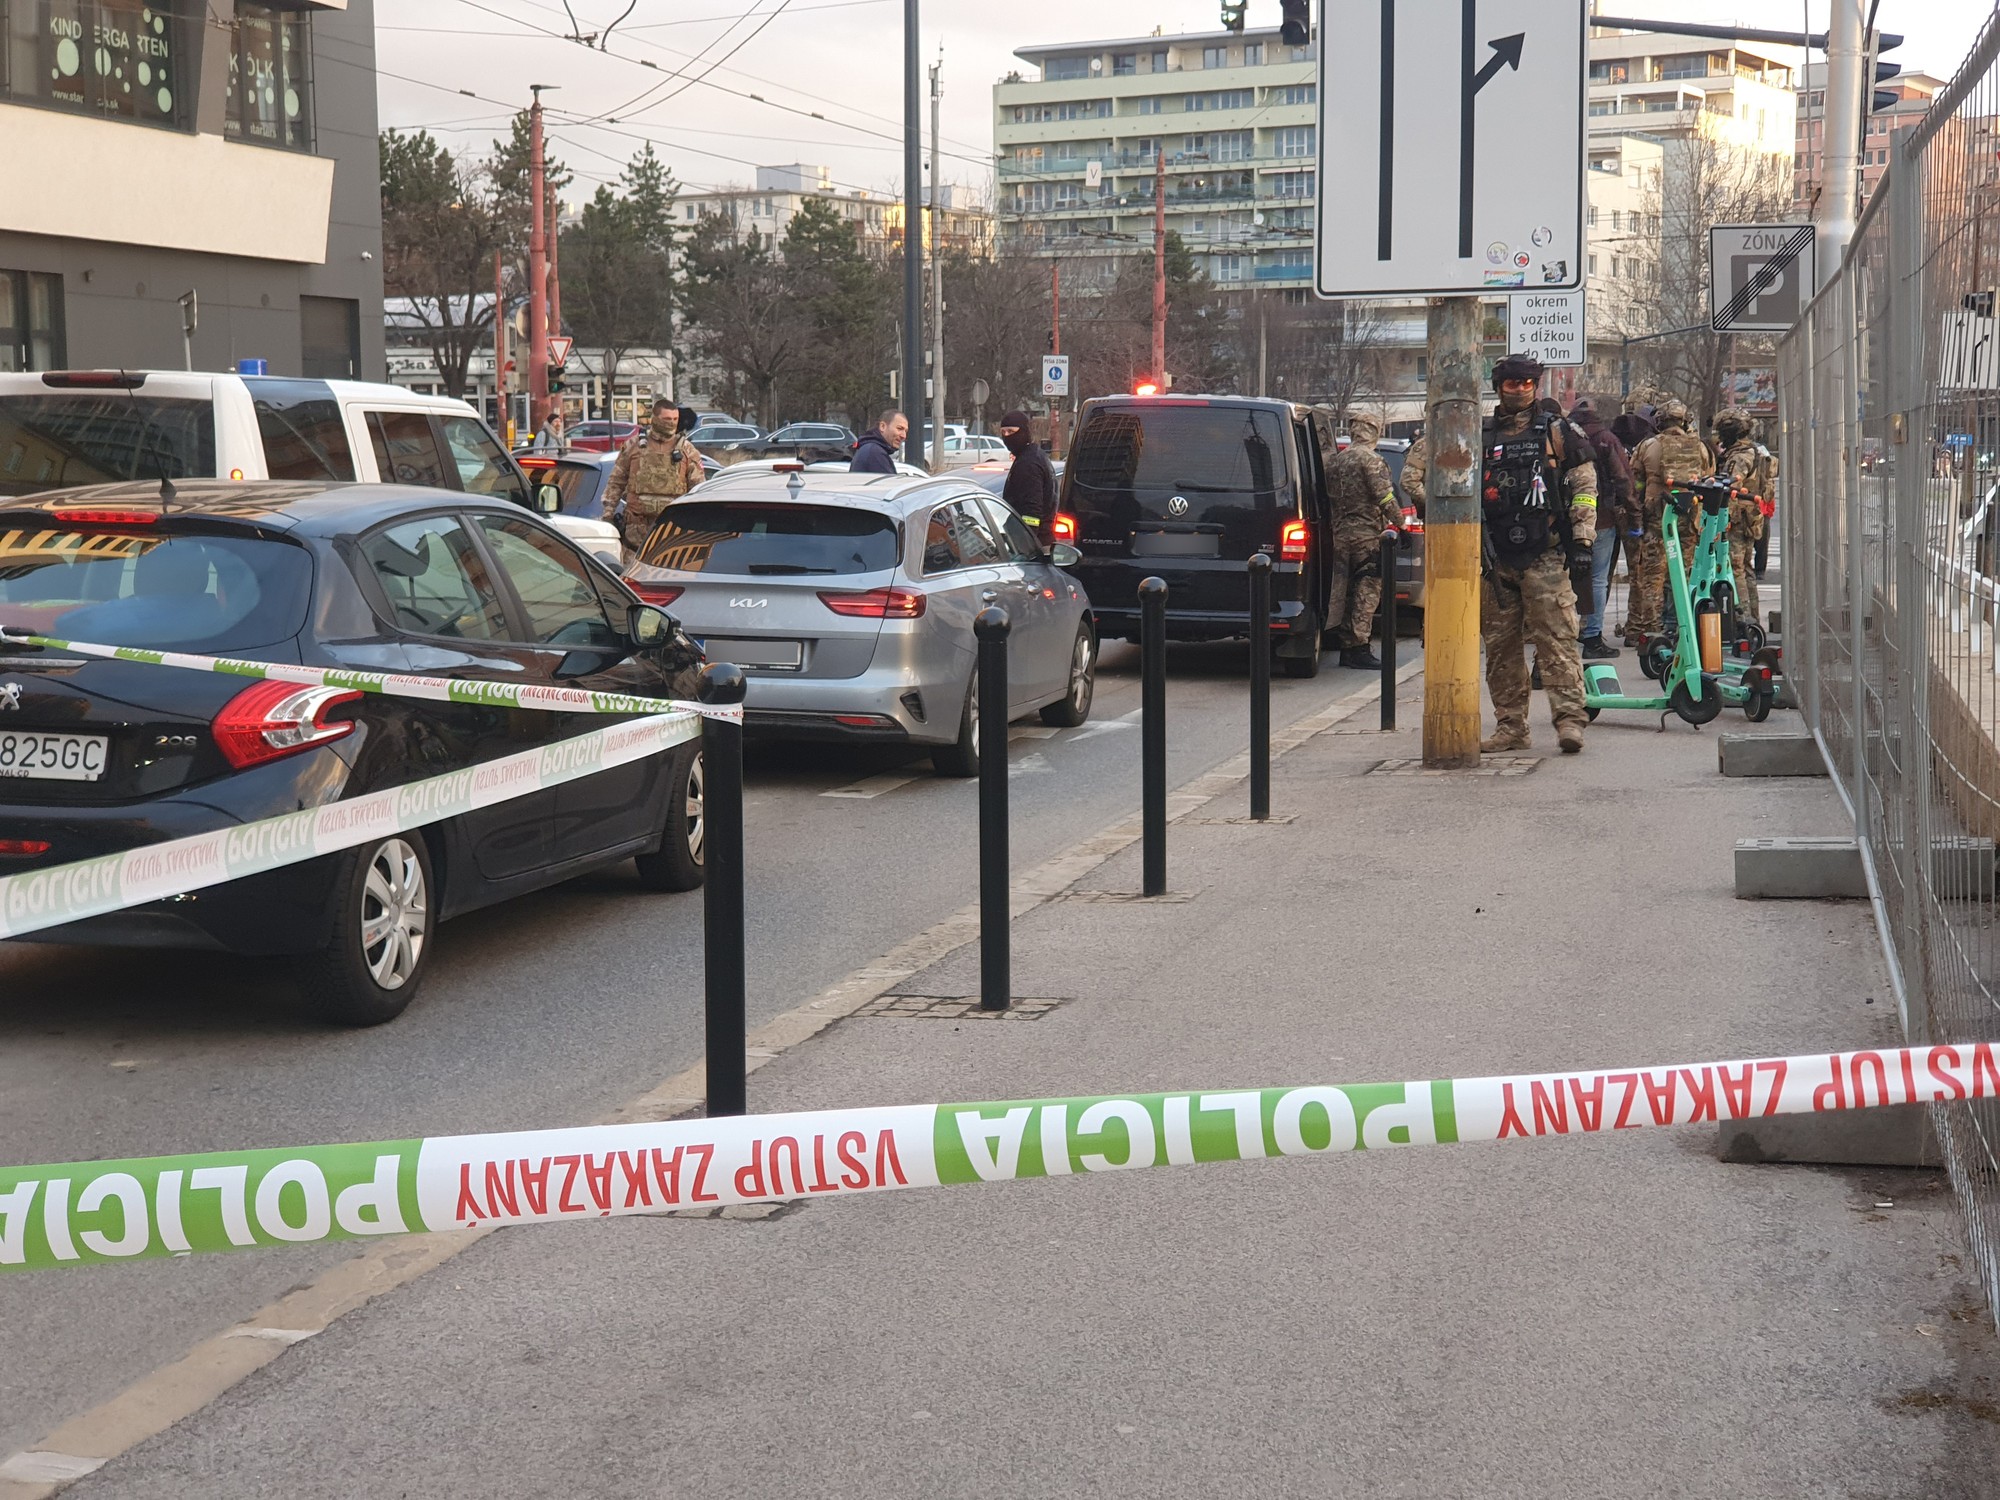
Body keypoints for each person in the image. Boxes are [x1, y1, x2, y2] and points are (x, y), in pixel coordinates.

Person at [1478, 353, 1598, 755]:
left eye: (1527, 384)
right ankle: (1511, 726)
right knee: (1501, 650)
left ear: (1536, 386)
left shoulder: (1558, 431)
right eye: (1512, 384)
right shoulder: (1481, 435)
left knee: (1558, 641)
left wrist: (1582, 540)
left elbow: (1584, 485)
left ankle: (1570, 721)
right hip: (1495, 559)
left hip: (1545, 554)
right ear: (1499, 387)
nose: (1520, 390)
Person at [1628, 400, 1715, 640]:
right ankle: (1682, 627)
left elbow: (1635, 481)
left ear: (1659, 421)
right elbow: (1709, 479)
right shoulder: (1700, 448)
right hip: (1689, 518)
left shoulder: (1648, 446)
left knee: (1653, 578)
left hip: (1658, 519)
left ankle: (1650, 631)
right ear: (1685, 421)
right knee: (1684, 575)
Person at [1322, 413, 1402, 670]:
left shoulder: (1335, 461)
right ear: (1375, 431)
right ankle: (1358, 647)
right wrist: (1401, 523)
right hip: (1366, 537)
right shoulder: (1372, 460)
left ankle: (1345, 643)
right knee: (1366, 591)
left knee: (1345, 592)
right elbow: (1384, 497)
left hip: (1339, 536)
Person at [1567, 398, 1633, 660]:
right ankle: (1592, 635)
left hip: (1567, 519)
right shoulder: (1607, 439)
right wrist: (1633, 514)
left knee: (1568, 579)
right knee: (1597, 578)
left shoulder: (1564, 437)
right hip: (1602, 518)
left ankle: (1569, 632)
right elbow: (1622, 478)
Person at [602, 398, 703, 555]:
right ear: (654, 419)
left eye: (675, 419)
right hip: (636, 533)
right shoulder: (633, 446)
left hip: (672, 532)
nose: (671, 423)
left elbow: (698, 489)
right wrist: (608, 514)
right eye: (666, 419)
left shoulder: (687, 450)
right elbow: (616, 482)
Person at [1714, 407, 1767, 629]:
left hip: (1736, 519)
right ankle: (1752, 618)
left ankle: (1743, 619)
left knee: (1736, 569)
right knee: (1746, 569)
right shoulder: (1754, 452)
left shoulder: (1739, 456)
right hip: (1749, 518)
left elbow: (1730, 484)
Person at [998, 409, 1059, 543]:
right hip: (1041, 538)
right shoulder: (1036, 455)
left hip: (1035, 542)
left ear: (1024, 432)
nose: (1006, 436)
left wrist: (1026, 543)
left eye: (1011, 431)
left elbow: (1032, 511)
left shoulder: (1028, 464)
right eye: (1003, 432)